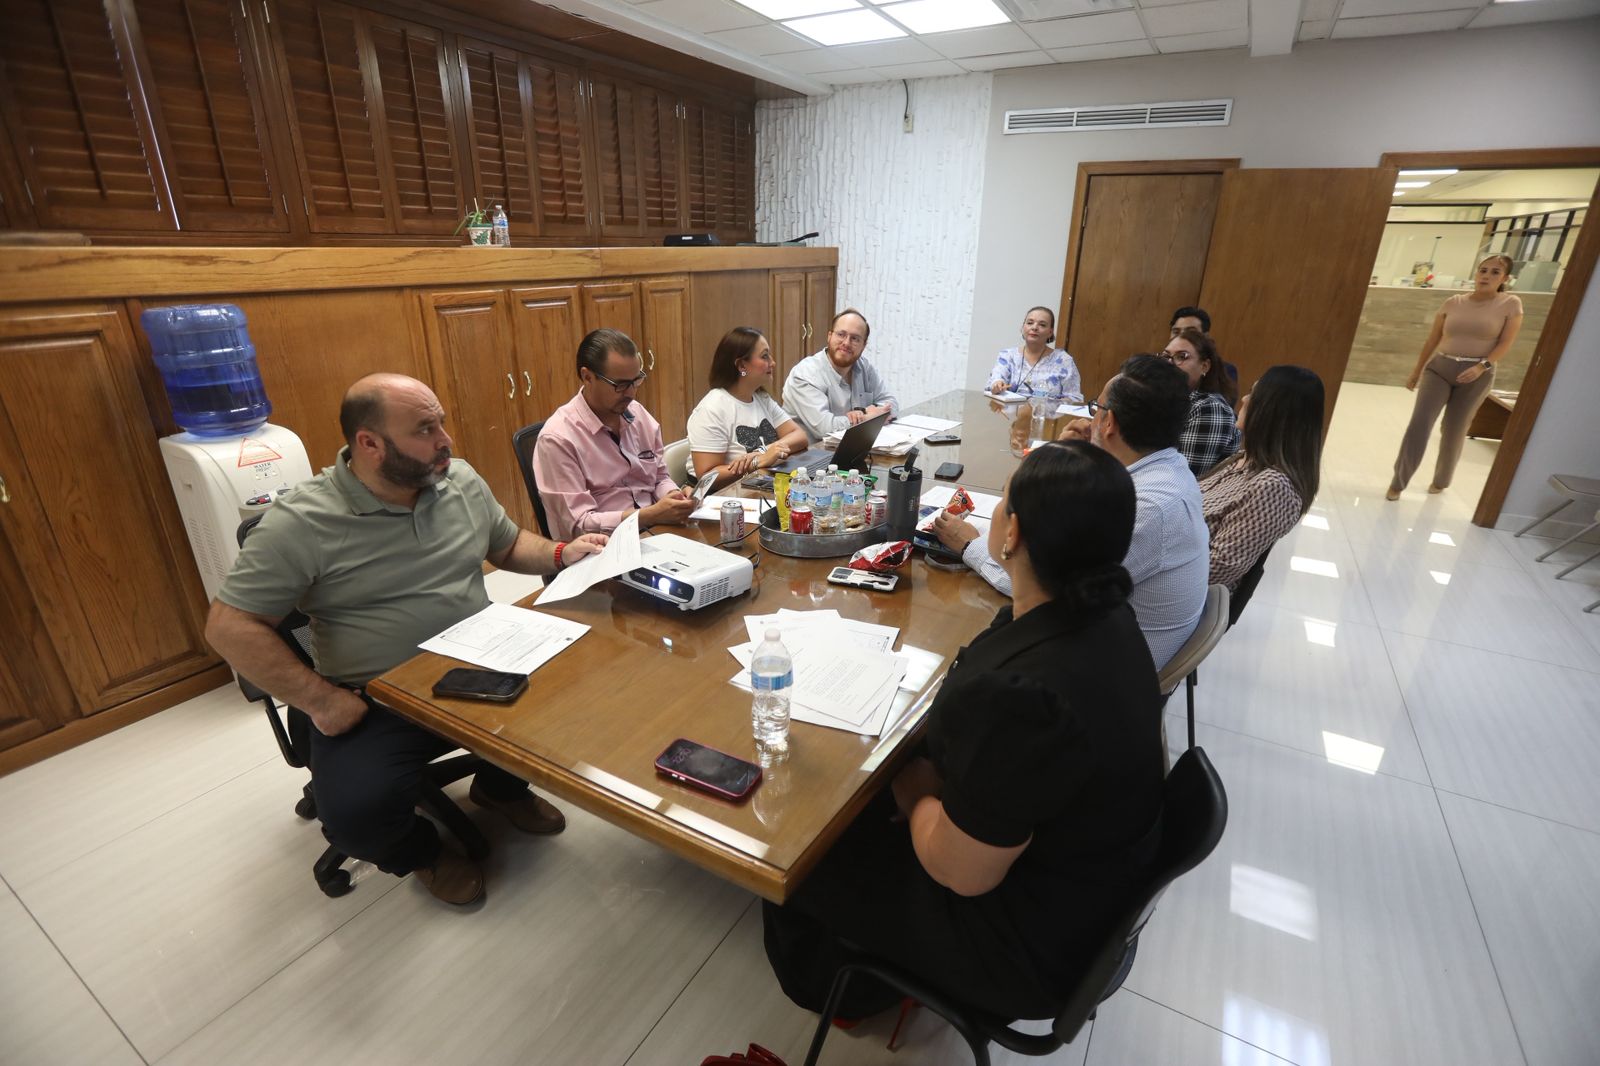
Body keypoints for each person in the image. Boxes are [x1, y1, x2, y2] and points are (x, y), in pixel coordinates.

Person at [763, 441, 1165, 1022]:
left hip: (1021, 949)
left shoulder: (1029, 697)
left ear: (1012, 534)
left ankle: (844, 985)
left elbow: (959, 871)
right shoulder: (1108, 616)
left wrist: (916, 794)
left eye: (1002, 503)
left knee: (801, 850)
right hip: (1082, 890)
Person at [206, 374, 608, 906]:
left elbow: (507, 544)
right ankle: (423, 852)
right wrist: (320, 701)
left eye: (440, 422)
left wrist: (560, 553)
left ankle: (499, 788)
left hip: (482, 657)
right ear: (369, 444)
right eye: (424, 429)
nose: (445, 440)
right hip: (377, 696)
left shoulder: (458, 479)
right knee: (355, 816)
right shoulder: (302, 521)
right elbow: (228, 626)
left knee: (582, 688)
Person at [937, 355, 1208, 671]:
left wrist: (969, 545)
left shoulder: (1147, 509)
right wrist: (1067, 456)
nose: (1092, 419)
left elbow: (1040, 589)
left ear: (1109, 423)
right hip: (1110, 641)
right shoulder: (1170, 470)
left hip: (1102, 671)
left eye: (1097, 409)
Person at [534, 328, 697, 539]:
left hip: (653, 531)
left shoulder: (638, 414)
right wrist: (648, 515)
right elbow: (578, 525)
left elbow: (658, 477)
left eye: (636, 380)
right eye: (620, 385)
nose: (631, 393)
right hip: (601, 546)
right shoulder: (558, 439)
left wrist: (673, 496)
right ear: (587, 377)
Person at [1387, 253, 1524, 500]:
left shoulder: (1510, 304)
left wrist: (1482, 366)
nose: (1486, 276)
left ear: (1505, 278)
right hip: (1440, 368)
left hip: (1476, 375)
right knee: (1419, 424)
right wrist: (1417, 371)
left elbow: (1506, 342)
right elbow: (1433, 339)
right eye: (1483, 270)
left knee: (1454, 429)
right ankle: (1398, 482)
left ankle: (1441, 480)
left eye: (1495, 272)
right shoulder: (1454, 302)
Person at [1200, 366, 1325, 590]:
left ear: (1275, 413)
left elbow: (1217, 568)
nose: (1245, 399)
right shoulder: (1244, 459)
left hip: (1176, 593)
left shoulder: (1275, 487)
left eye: (1255, 396)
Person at [686, 327, 810, 492]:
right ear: (742, 365)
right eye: (764, 356)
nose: (772, 363)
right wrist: (756, 462)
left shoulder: (761, 397)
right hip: (723, 496)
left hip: (757, 485)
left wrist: (766, 451)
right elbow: (706, 477)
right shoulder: (711, 410)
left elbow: (800, 436)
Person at [781, 308, 896, 441]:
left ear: (864, 345)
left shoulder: (865, 367)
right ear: (829, 336)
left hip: (852, 446)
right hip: (812, 451)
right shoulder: (805, 374)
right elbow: (824, 429)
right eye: (841, 334)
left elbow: (891, 403)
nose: (846, 343)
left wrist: (868, 413)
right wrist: (866, 418)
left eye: (855, 338)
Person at [1162, 328, 1239, 476]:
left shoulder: (1211, 408)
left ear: (1204, 366)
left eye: (1182, 357)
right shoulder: (1167, 398)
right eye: (1166, 356)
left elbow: (1184, 477)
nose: (1169, 363)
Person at [985, 305, 1082, 402]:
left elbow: (1074, 399)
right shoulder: (1007, 355)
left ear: (1050, 332)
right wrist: (997, 384)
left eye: (1042, 325)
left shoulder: (1064, 360)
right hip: (1011, 411)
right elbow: (996, 379)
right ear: (1023, 327)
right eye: (1030, 323)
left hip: (1047, 411)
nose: (1034, 327)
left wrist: (1046, 405)